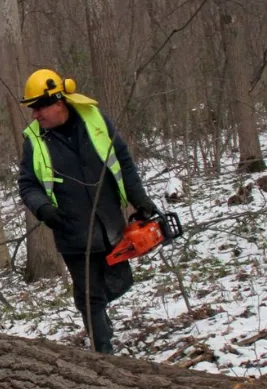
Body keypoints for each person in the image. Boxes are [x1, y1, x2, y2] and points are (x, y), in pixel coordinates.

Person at [17, 69, 160, 354]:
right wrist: (44, 209)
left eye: (39, 107)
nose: (35, 115)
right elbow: (27, 184)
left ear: (58, 102)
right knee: (90, 295)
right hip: (72, 232)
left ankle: (94, 311)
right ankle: (102, 352)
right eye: (32, 109)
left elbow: (123, 161)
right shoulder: (35, 140)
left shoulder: (95, 122)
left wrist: (139, 199)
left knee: (120, 282)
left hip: (110, 226)